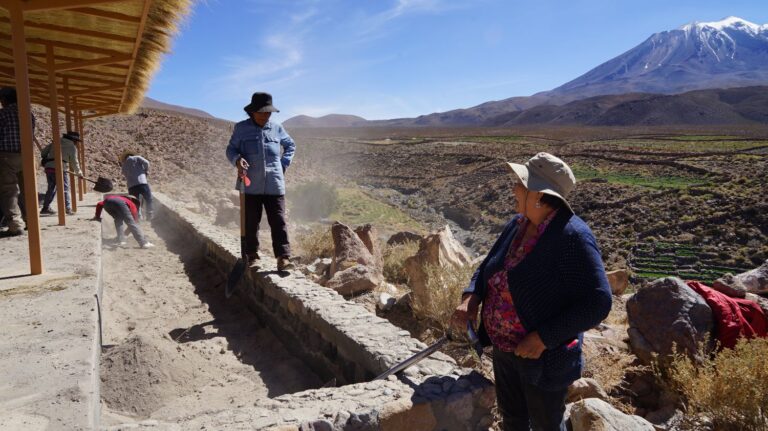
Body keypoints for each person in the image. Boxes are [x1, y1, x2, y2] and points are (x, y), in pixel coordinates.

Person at [451, 152, 612, 431]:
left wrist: (543, 338)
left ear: (538, 194)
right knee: (513, 419)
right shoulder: (518, 224)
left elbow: (598, 301)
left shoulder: (572, 237)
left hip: (543, 358)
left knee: (545, 424)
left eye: (520, 183)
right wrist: (471, 299)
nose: (513, 188)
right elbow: (488, 267)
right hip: (505, 349)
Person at [225, 92, 296, 271]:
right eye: (262, 112)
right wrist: (237, 160)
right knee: (251, 221)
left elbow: (290, 145)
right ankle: (252, 256)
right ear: (252, 112)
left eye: (268, 112)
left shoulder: (277, 128)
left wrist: (283, 164)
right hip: (250, 184)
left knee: (278, 220)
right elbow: (231, 149)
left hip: (274, 182)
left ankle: (283, 257)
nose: (265, 116)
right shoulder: (241, 128)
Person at [0, 87, 35, 237]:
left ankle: (15, 225)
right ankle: (30, 221)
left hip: (7, 155)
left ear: (4, 100)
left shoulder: (3, 114)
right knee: (26, 190)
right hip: (26, 156)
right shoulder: (29, 115)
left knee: (10, 191)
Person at [40, 132, 82, 215]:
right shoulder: (72, 147)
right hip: (60, 169)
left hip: (49, 168)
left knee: (51, 188)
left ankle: (45, 207)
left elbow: (43, 153)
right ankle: (68, 208)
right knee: (65, 189)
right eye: (76, 141)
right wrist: (79, 173)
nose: (76, 143)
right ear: (73, 140)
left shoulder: (56, 141)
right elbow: (74, 162)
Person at [120, 150, 154, 219]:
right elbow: (147, 163)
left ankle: (138, 217)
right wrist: (145, 171)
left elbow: (124, 174)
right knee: (148, 198)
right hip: (142, 182)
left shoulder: (123, 165)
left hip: (131, 186)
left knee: (135, 203)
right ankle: (149, 214)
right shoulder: (137, 158)